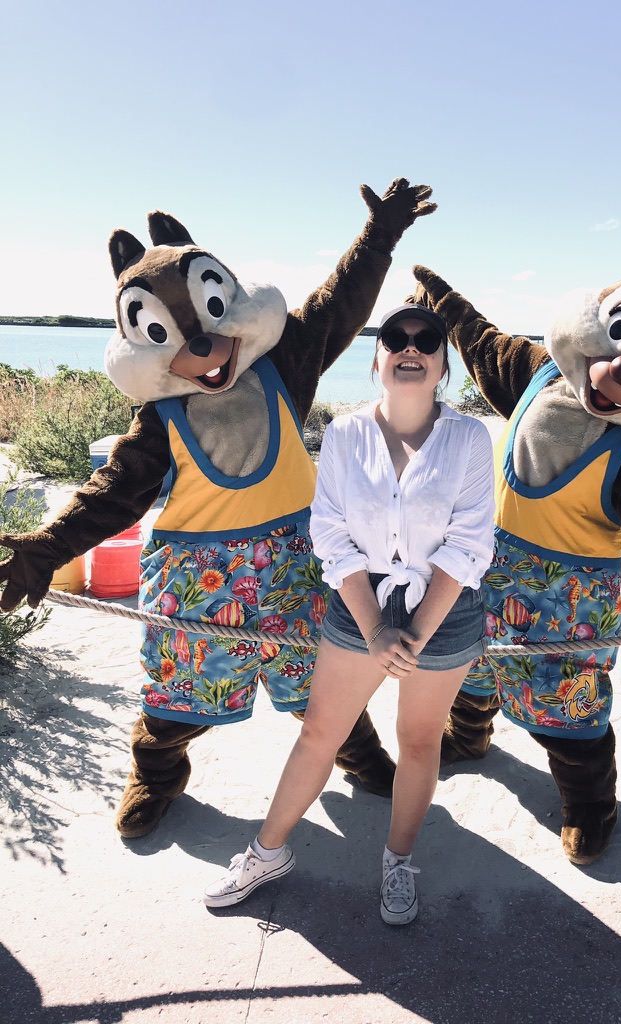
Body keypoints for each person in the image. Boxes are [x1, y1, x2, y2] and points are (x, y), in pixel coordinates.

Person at [203, 303, 495, 924]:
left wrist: (411, 633)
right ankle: (267, 851)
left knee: (417, 742)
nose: (410, 347)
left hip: (442, 611)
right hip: (360, 601)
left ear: (443, 363)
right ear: (377, 357)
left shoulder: (469, 438)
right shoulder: (343, 432)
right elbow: (330, 533)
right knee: (318, 733)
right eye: (397, 337)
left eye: (426, 340)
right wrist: (374, 628)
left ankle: (397, 862)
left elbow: (468, 543)